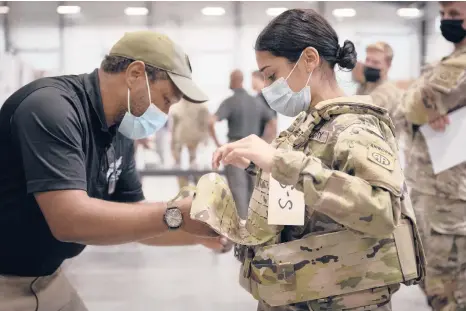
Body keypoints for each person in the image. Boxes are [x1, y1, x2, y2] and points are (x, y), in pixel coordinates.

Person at [211, 9, 425, 311]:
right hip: (300, 290)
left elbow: (381, 210)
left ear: (309, 59)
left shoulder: (356, 126)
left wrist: (280, 164)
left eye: (272, 74)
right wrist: (257, 164)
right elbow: (312, 183)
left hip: (340, 298)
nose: (268, 87)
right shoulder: (312, 123)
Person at [0, 31, 230, 311]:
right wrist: (177, 214)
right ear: (135, 73)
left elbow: (135, 218)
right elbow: (70, 221)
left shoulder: (120, 132)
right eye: (166, 99)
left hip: (47, 279)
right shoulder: (51, 109)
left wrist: (199, 233)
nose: (165, 114)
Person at [400, 2, 466, 310]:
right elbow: (406, 110)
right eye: (443, 15)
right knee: (434, 279)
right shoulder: (450, 59)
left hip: (451, 198)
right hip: (436, 189)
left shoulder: (460, 64)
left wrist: (419, 103)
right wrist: (420, 104)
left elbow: (411, 107)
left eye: (455, 15)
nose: (446, 21)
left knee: (449, 288)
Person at [209, 69, 275, 219]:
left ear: (233, 81)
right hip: (256, 149)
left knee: (239, 192)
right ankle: (255, 233)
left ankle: (243, 234)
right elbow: (272, 121)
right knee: (256, 191)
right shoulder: (256, 102)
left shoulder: (231, 102)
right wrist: (265, 142)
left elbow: (210, 121)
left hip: (236, 149)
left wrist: (218, 143)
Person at [170, 98, 210, 189]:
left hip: (196, 147)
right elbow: (173, 128)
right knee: (183, 181)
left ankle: (198, 199)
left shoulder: (201, 107)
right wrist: (173, 148)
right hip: (181, 147)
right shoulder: (177, 107)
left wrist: (204, 144)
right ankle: (185, 199)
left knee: (199, 179)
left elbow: (205, 126)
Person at [252, 70, 277, 143]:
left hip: (264, 140)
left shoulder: (264, 96)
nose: (251, 83)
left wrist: (264, 140)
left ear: (258, 79)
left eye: (253, 79)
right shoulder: (261, 96)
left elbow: (272, 121)